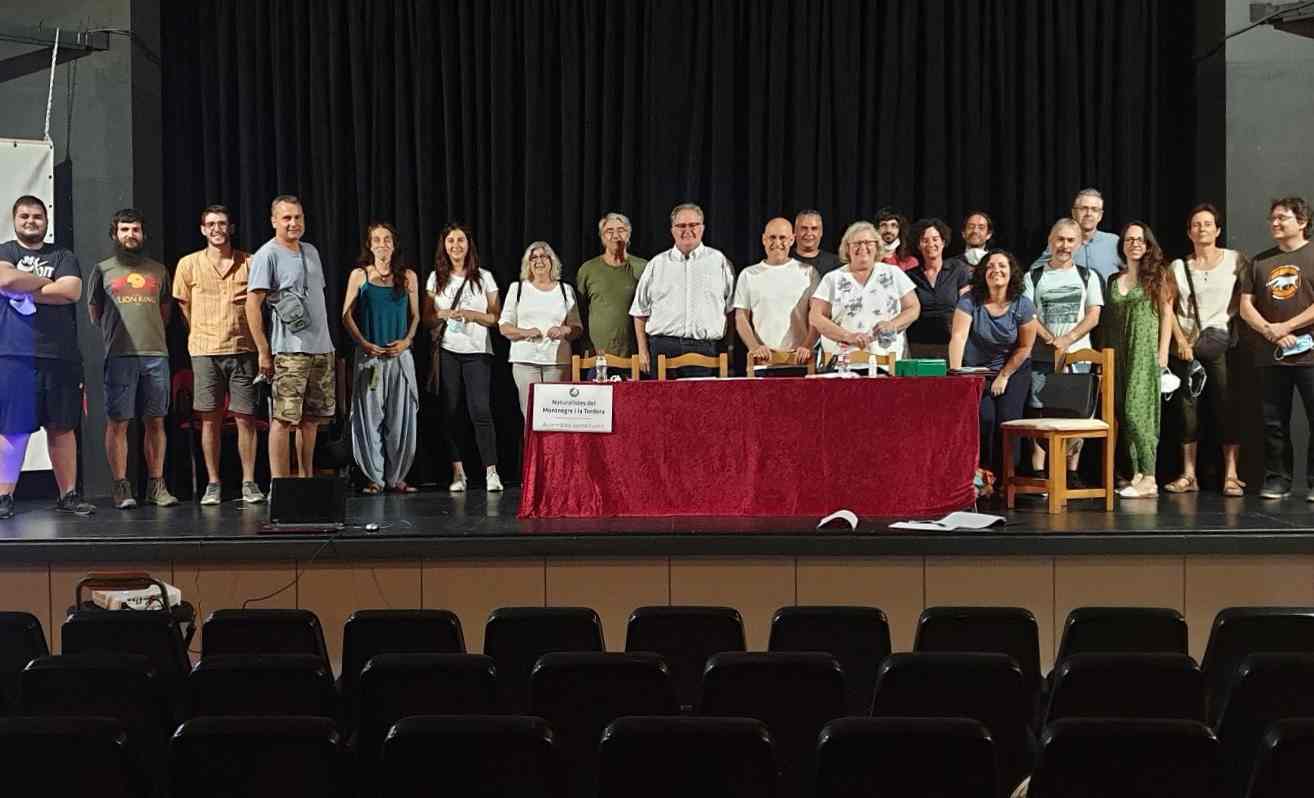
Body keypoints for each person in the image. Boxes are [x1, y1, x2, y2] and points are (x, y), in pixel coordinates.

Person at [0, 196, 95, 518]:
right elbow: (5, 279)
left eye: (37, 216)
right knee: (13, 429)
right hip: (15, 353)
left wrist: (25, 286)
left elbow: (70, 292)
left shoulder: (63, 255)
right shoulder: (5, 252)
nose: (31, 221)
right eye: (24, 216)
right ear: (14, 219)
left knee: (62, 427)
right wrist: (46, 284)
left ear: (46, 220)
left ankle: (68, 494)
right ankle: (3, 497)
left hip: (60, 357)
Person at [173, 205, 264, 505]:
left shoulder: (250, 262)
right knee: (209, 420)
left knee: (246, 418)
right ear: (202, 229)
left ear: (231, 228)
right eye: (210, 224)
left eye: (222, 223)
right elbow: (184, 307)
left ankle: (249, 481)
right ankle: (213, 482)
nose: (216, 229)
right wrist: (202, 330)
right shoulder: (188, 264)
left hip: (243, 350)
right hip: (205, 351)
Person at [89, 208, 179, 509]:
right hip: (119, 355)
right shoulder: (102, 270)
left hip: (156, 355)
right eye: (125, 229)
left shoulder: (159, 270)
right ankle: (121, 487)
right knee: (118, 422)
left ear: (143, 234)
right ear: (115, 234)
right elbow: (95, 314)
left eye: (136, 229)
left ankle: (156, 485)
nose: (131, 235)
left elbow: (164, 314)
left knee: (156, 421)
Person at [246, 195, 337, 480]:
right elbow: (252, 305)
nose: (293, 223)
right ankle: (280, 484)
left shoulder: (311, 251)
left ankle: (305, 480)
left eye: (298, 217)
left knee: (311, 421)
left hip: (321, 348)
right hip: (290, 351)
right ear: (274, 221)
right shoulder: (267, 254)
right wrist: (263, 352)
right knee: (284, 419)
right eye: (286, 218)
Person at [1165, 204, 1248, 497]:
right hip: (1188, 348)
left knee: (1226, 407)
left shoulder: (1235, 261)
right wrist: (1181, 342)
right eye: (1196, 224)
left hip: (1223, 345)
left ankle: (1232, 475)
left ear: (1218, 230)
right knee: (1187, 411)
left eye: (1208, 224)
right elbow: (1168, 308)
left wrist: (1228, 318)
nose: (1202, 229)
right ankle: (1188, 475)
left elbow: (1246, 296)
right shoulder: (1178, 267)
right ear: (1189, 232)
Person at [1239, 195, 1314, 500]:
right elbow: (1245, 307)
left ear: (1303, 222)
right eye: (1273, 218)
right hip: (1271, 355)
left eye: (1282, 217)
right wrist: (1271, 331)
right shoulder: (1260, 261)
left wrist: (1288, 326)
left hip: (1309, 355)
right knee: (1273, 422)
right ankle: (1277, 479)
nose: (1275, 223)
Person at [424, 223, 504, 492]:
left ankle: (491, 472)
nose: (455, 246)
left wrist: (472, 315)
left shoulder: (484, 277)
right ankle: (458, 472)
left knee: (481, 411)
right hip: (447, 351)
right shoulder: (436, 278)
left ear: (469, 245)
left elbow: (496, 317)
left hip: (478, 351)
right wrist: (442, 315)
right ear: (444, 246)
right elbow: (425, 318)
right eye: (450, 241)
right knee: (451, 412)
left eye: (460, 241)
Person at [1023, 218, 1104, 481]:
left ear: (1079, 243)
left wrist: (1068, 338)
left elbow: (1093, 316)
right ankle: (1040, 474)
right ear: (1050, 240)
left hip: (1078, 357)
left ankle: (1071, 475)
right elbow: (1028, 315)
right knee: (1040, 414)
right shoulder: (1033, 276)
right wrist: (1050, 338)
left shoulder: (1088, 276)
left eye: (1071, 240)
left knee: (1076, 416)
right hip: (1042, 358)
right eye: (1060, 239)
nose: (1064, 245)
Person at [342, 222, 419, 495]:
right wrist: (364, 343)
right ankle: (374, 477)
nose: (382, 244)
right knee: (369, 418)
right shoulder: (359, 275)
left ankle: (396, 476)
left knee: (400, 419)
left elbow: (417, 316)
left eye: (387, 239)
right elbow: (346, 315)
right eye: (377, 239)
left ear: (394, 244)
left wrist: (407, 341)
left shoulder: (408, 276)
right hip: (370, 358)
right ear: (370, 244)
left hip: (399, 357)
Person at [948, 250, 1038, 478]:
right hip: (977, 370)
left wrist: (1004, 375)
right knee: (985, 418)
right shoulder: (969, 300)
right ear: (983, 273)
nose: (996, 270)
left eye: (1002, 266)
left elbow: (1025, 347)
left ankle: (1008, 476)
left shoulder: (1023, 305)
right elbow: (958, 337)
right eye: (990, 266)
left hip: (1013, 369)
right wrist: (957, 376)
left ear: (1011, 273)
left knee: (1007, 420)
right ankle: (984, 475)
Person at [1104, 222, 1175, 498]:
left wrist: (1163, 351)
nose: (1134, 243)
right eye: (1129, 239)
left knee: (1138, 412)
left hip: (1144, 351)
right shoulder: (1114, 280)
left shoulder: (1157, 276)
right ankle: (1137, 474)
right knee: (1123, 412)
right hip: (1117, 352)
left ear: (1148, 245)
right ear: (1122, 245)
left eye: (1140, 240)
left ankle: (1150, 476)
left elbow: (1167, 315)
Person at [630, 203, 735, 378]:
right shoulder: (657, 264)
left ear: (702, 228)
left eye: (693, 225)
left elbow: (731, 310)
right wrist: (642, 351)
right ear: (672, 230)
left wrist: (729, 348)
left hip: (704, 350)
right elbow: (640, 311)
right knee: (660, 405)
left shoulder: (719, 262)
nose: (687, 230)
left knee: (700, 405)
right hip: (662, 349)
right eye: (681, 226)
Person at [810, 220, 920, 365]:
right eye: (856, 243)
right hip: (842, 365)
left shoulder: (893, 273)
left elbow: (914, 308)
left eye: (868, 242)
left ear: (877, 246)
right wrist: (847, 336)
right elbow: (816, 316)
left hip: (887, 362)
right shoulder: (833, 278)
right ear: (847, 248)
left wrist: (892, 324)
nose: (863, 247)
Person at [499, 240, 582, 414]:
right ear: (528, 263)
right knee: (531, 415)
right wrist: (525, 332)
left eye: (544, 256)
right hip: (525, 362)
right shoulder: (518, 288)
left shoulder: (565, 290)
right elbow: (504, 327)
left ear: (552, 261)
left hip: (558, 362)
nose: (539, 261)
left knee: (557, 415)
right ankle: (531, 443)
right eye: (533, 257)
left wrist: (563, 330)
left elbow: (576, 327)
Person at [734, 218, 819, 367]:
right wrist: (755, 347)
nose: (777, 243)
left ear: (792, 239)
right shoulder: (748, 274)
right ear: (764, 240)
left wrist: (807, 345)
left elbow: (817, 316)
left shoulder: (809, 273)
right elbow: (741, 317)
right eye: (772, 237)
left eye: (783, 238)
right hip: (763, 361)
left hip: (799, 362)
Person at [576, 212, 646, 361]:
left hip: (635, 356)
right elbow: (580, 312)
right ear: (602, 237)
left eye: (621, 230)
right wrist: (586, 348)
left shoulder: (643, 267)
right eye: (609, 231)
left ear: (628, 235)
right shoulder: (588, 269)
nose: (616, 235)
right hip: (598, 356)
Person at [906, 217, 971, 359]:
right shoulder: (909, 276)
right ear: (918, 245)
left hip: (953, 344)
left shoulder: (958, 269)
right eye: (925, 240)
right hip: (918, 346)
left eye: (935, 239)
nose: (931, 244)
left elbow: (967, 308)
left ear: (943, 242)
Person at [1032, 188, 1122, 282]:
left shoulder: (1114, 241)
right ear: (1074, 213)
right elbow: (1034, 272)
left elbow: (1133, 270)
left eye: (1094, 209)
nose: (1088, 213)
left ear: (1100, 215)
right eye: (1084, 208)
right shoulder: (1062, 243)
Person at [791, 209, 842, 277]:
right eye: (804, 228)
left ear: (821, 232)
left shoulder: (836, 264)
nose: (809, 233)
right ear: (795, 231)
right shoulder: (784, 259)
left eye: (814, 228)